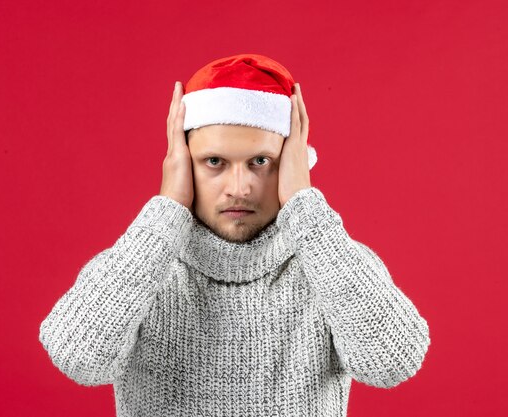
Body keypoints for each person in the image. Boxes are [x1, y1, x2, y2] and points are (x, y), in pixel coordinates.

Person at [39, 53, 431, 417]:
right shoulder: (142, 265)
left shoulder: (331, 262)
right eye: (215, 162)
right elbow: (79, 357)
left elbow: (392, 362)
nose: (239, 187)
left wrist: (304, 204)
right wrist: (166, 207)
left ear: (294, 163)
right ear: (183, 164)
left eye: (261, 162)